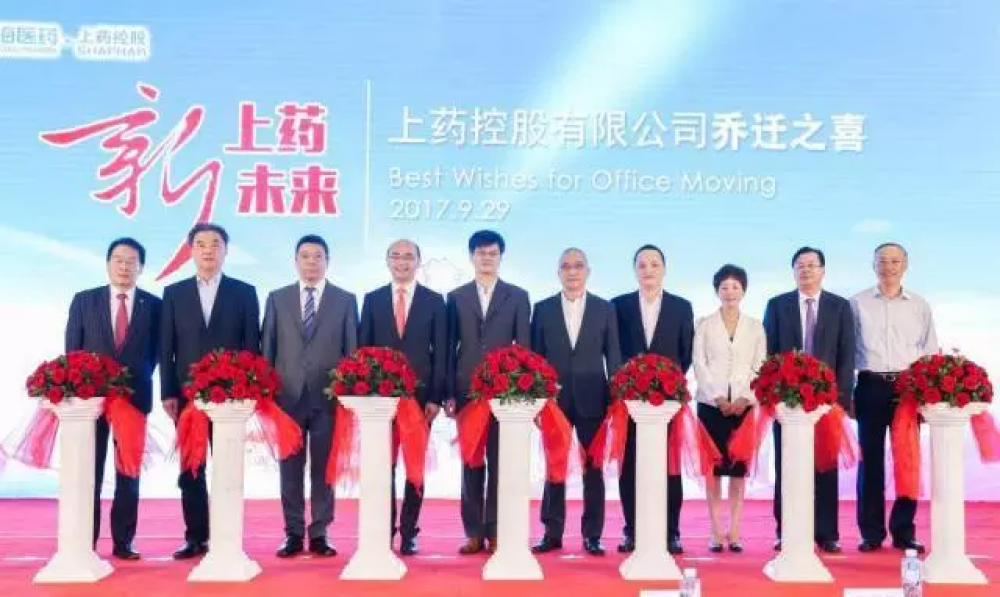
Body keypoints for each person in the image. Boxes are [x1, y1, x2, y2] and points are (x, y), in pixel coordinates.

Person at [160, 223, 261, 560]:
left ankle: (227, 535)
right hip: (187, 397)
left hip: (231, 397)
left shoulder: (244, 292)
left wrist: (249, 391)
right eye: (201, 243)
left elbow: (252, 347)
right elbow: (166, 348)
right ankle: (195, 536)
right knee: (191, 468)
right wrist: (168, 392)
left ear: (225, 251)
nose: (208, 249)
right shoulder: (173, 293)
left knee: (228, 467)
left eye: (215, 243)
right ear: (191, 251)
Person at [65, 238, 161, 560]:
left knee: (128, 474)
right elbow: (72, 350)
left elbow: (156, 353)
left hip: (133, 400)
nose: (124, 267)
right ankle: (86, 541)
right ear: (108, 264)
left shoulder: (154, 305)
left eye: (131, 261)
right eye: (118, 260)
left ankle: (123, 542)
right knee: (88, 472)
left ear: (141, 267)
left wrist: (135, 379)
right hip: (90, 404)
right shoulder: (84, 300)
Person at [262, 234, 357, 558]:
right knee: (289, 470)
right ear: (295, 261)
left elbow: (351, 351)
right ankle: (292, 533)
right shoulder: (277, 298)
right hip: (287, 397)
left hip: (328, 397)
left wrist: (347, 393)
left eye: (318, 256)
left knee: (323, 469)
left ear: (328, 261)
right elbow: (268, 348)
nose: (311, 262)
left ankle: (319, 533)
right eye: (305, 256)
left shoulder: (345, 300)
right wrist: (267, 394)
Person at [530, 248, 621, 557]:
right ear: (558, 272)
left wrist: (615, 401)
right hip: (554, 402)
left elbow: (614, 357)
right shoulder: (542, 309)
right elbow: (535, 358)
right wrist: (537, 401)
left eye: (578, 266)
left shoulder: (604, 308)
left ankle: (592, 535)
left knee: (593, 471)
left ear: (588, 271)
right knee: (554, 467)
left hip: (594, 399)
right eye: (566, 266)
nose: (572, 271)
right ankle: (552, 532)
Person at [763, 246, 855, 553]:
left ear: (822, 271)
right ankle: (786, 530)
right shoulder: (777, 305)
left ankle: (826, 533)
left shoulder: (840, 306)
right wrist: (773, 396)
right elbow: (769, 353)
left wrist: (841, 398)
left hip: (826, 403)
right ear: (793, 271)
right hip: (787, 404)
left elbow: (846, 354)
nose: (806, 270)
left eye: (812, 265)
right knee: (787, 466)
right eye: (800, 266)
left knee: (825, 466)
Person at [444, 230, 530, 555]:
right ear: (471, 257)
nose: (487, 258)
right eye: (481, 253)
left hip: (504, 393)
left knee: (499, 463)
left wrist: (521, 391)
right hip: (467, 390)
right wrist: (449, 393)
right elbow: (449, 348)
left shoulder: (518, 296)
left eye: (493, 253)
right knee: (471, 462)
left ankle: (495, 530)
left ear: (500, 257)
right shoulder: (456, 296)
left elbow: (524, 349)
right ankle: (473, 532)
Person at [359, 239, 446, 556]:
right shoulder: (372, 300)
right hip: (380, 402)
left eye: (408, 256)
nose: (402, 261)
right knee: (383, 467)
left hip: (419, 401)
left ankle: (409, 531)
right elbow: (363, 351)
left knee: (414, 468)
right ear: (387, 261)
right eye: (395, 256)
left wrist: (435, 397)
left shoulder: (434, 301)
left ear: (418, 262)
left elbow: (441, 353)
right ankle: (383, 529)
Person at [852, 242, 937, 554]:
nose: (888, 267)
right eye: (882, 261)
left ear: (905, 265)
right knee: (870, 461)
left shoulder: (919, 305)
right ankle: (871, 533)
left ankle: (904, 531)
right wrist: (848, 393)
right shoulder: (857, 303)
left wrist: (927, 396)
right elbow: (847, 351)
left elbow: (930, 352)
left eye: (895, 261)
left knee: (907, 460)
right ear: (873, 265)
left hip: (907, 389)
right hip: (870, 385)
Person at [611, 244, 694, 555]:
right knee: (630, 466)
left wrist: (666, 383)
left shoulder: (681, 307)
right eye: (642, 265)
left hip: (667, 404)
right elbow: (614, 351)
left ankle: (670, 532)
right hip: (629, 403)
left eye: (654, 264)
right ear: (635, 270)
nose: (648, 270)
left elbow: (685, 352)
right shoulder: (618, 305)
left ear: (664, 269)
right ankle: (632, 530)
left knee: (669, 467)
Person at [692, 264, 766, 553]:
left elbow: (760, 365)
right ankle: (715, 532)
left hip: (743, 407)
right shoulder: (704, 325)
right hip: (712, 406)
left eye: (735, 287)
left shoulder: (755, 326)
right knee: (713, 472)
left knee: (737, 472)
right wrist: (718, 397)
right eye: (724, 287)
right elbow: (700, 364)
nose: (730, 292)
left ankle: (734, 532)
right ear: (717, 291)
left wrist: (745, 398)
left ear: (743, 290)